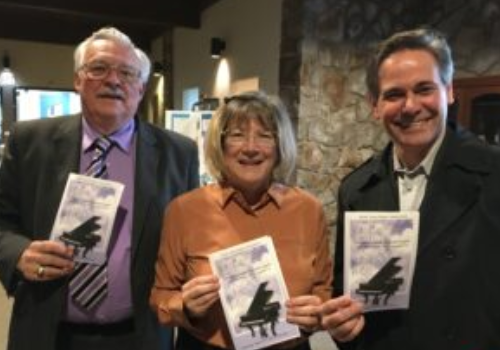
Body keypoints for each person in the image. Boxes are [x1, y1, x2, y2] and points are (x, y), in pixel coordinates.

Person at [0, 26, 199, 350]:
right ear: (78, 79)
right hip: (47, 333)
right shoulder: (29, 142)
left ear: (141, 87)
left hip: (141, 336)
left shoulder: (180, 153)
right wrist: (18, 253)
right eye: (99, 69)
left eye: (127, 72)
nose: (114, 80)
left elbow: (191, 241)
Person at [321, 28, 500, 349]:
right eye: (393, 95)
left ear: (449, 91)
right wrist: (343, 327)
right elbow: (347, 293)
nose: (410, 106)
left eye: (424, 89)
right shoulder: (356, 189)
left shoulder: (494, 173)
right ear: (374, 105)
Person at [150, 91, 332, 350]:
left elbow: (322, 290)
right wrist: (185, 306)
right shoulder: (184, 210)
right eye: (237, 135)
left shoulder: (308, 210)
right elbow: (161, 296)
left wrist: (316, 314)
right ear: (220, 144)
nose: (251, 147)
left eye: (265, 136)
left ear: (279, 146)